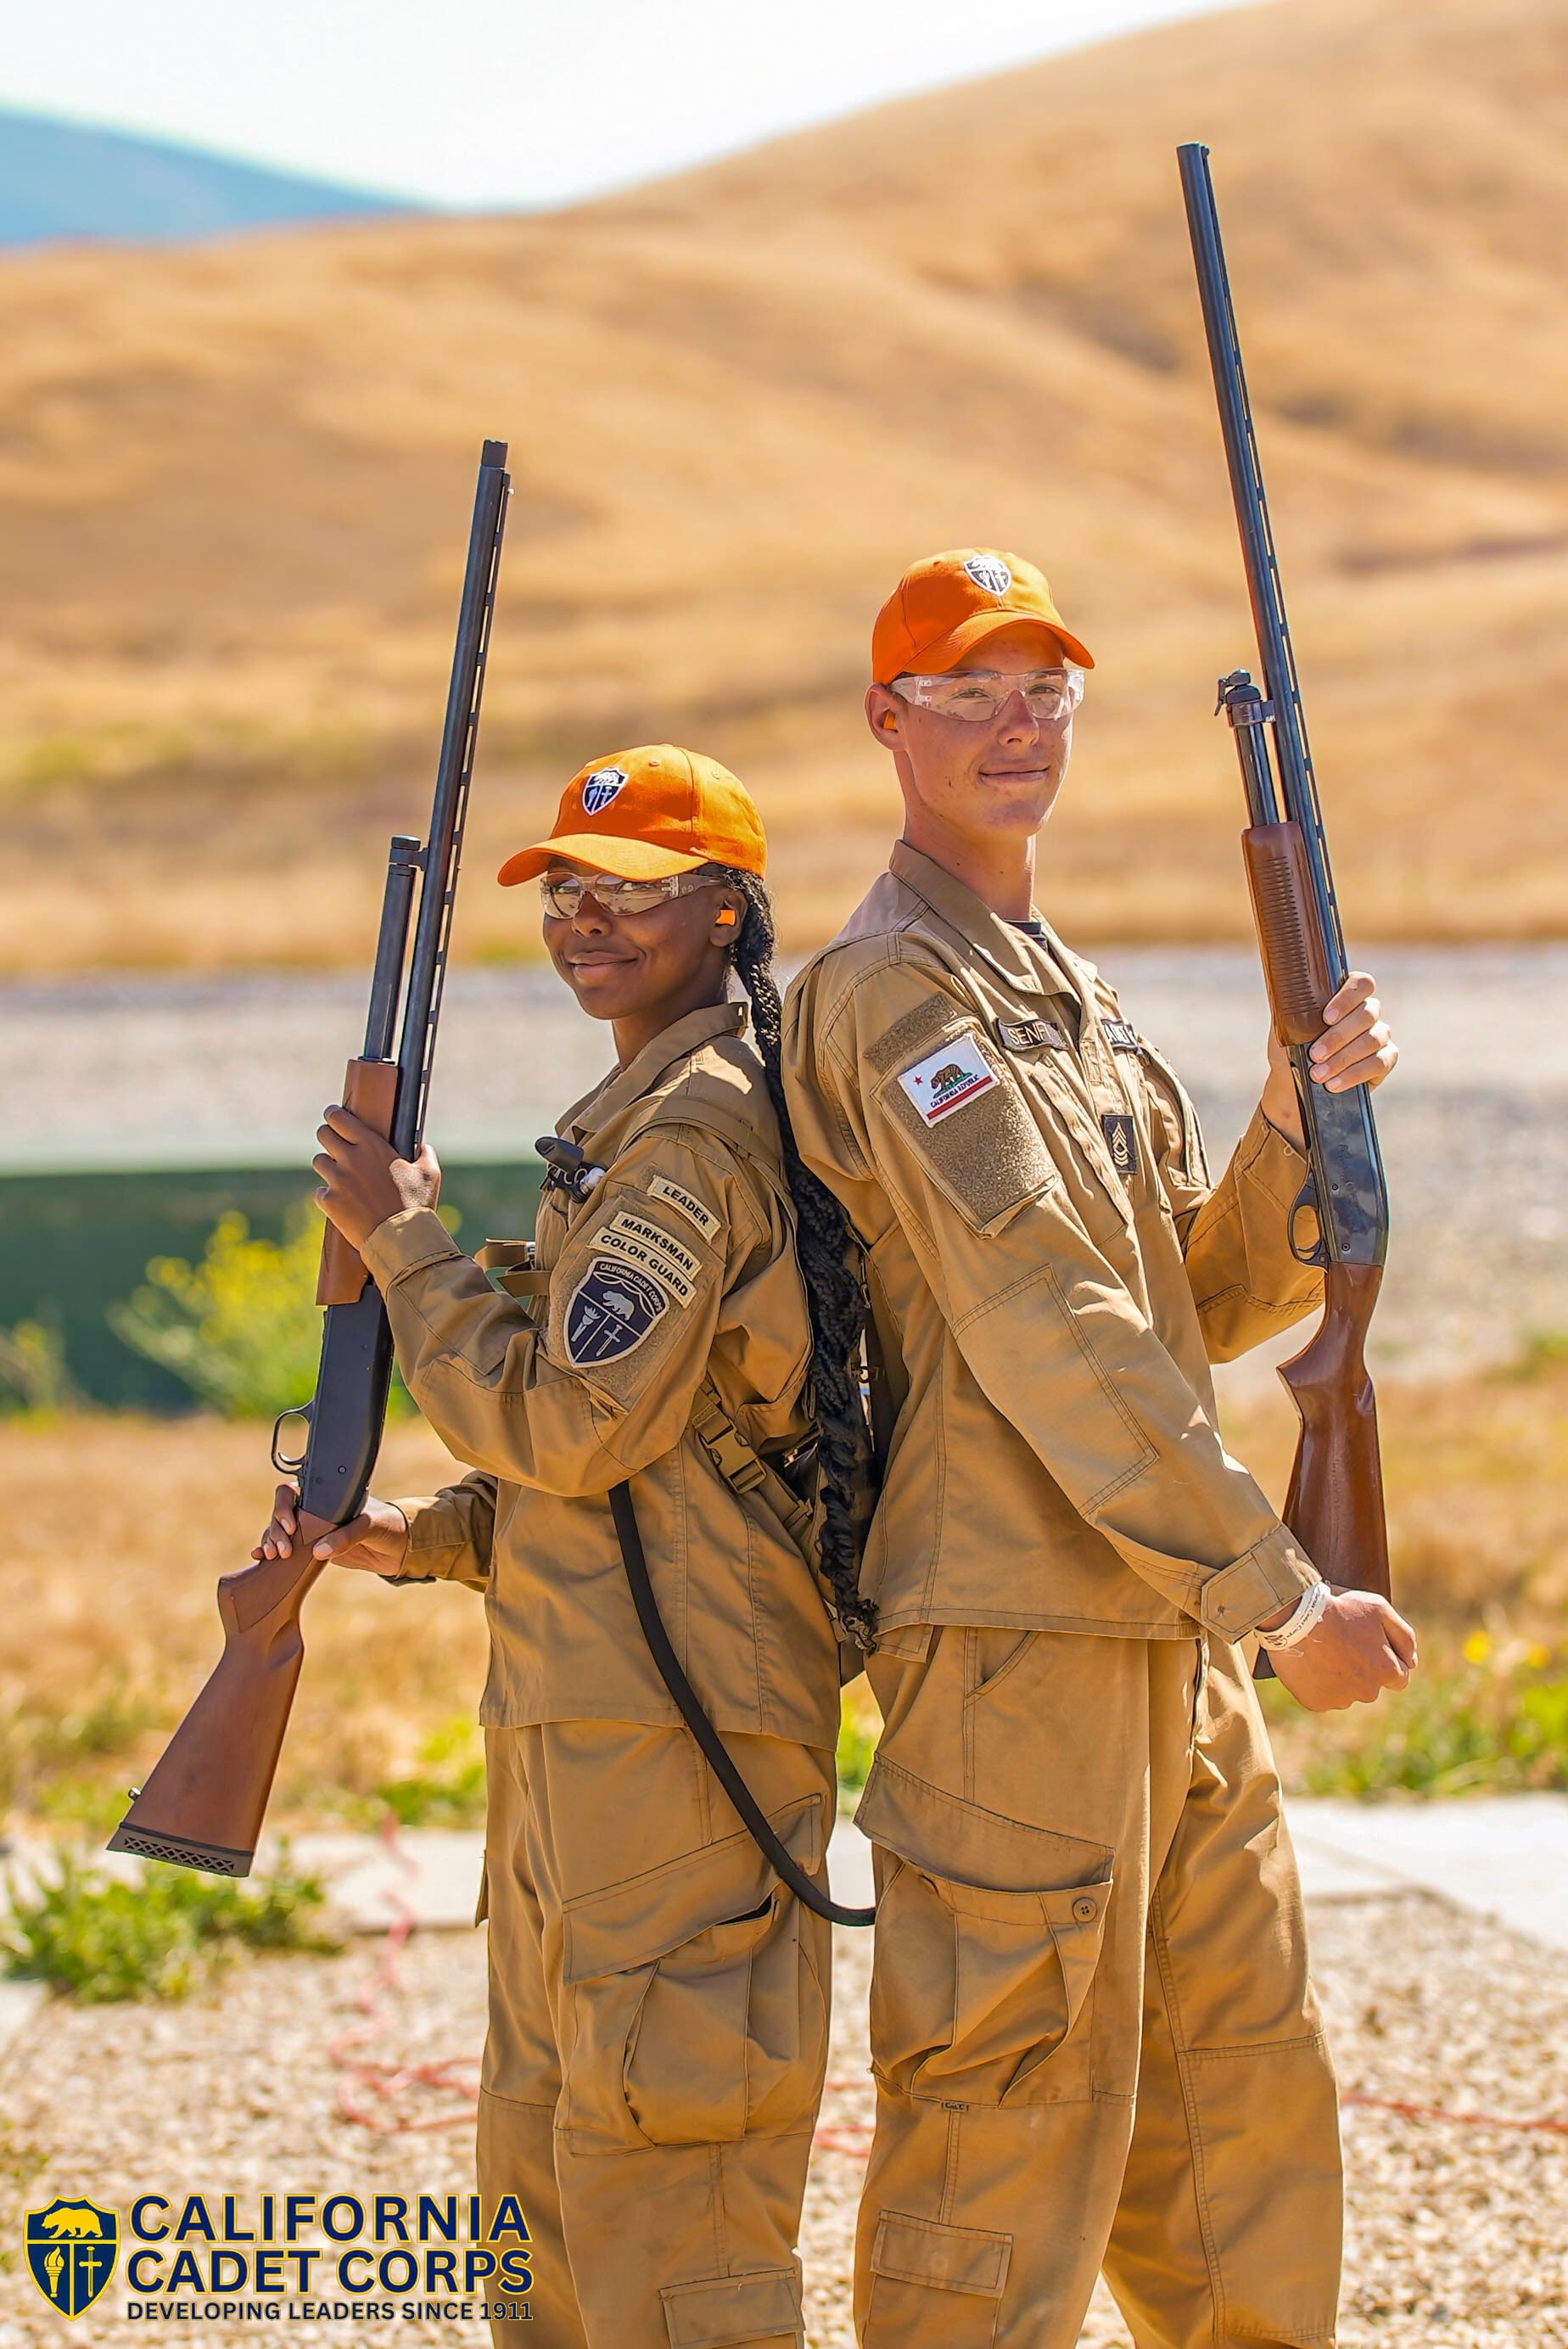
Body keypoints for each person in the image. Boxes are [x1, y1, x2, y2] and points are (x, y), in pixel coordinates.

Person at [780, 549, 1417, 2349]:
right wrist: (1283, 1598)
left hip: (1161, 1633)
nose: (1015, 727)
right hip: (1020, 1653)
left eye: (1044, 689)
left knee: (1240, 2120)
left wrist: (1299, 1106)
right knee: (1006, 2145)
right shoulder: (899, 996)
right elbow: (1051, 1328)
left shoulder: (1066, 991)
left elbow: (1193, 1300)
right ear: (888, 722)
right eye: (967, 693)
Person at [256, 745, 869, 2349]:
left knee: (669, 2161)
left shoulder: (694, 1134)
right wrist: (427, 1539)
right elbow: (636, 1463)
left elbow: (573, 1428)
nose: (588, 920)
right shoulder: (638, 1110)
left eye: (637, 891)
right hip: (589, 1705)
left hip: (675, 1728)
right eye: (569, 890)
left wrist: (407, 1247)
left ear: (728, 910)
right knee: (546, 2155)